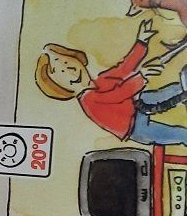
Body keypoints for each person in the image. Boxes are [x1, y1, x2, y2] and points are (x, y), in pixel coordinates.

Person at [35, 19, 187, 146]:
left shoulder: (100, 81)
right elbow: (118, 94)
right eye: (61, 72)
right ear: (61, 88)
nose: (70, 71)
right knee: (177, 134)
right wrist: (141, 77)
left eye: (67, 62)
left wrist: (141, 42)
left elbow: (123, 69)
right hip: (135, 128)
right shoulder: (89, 100)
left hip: (135, 104)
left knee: (172, 90)